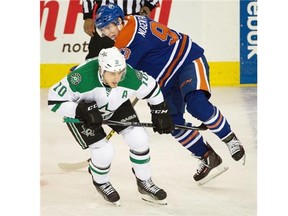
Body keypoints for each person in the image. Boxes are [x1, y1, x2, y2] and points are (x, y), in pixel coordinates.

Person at [94, 3, 246, 185]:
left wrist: (103, 102)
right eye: (103, 29)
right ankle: (207, 156)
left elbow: (122, 77)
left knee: (197, 104)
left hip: (187, 61)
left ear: (119, 21)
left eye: (109, 26)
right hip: (164, 79)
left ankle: (230, 138)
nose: (107, 32)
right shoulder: (132, 19)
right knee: (171, 122)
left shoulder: (126, 39)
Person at [48, 47, 174, 205]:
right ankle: (101, 181)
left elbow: (152, 88)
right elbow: (53, 100)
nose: (117, 78)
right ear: (101, 69)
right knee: (104, 151)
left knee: (139, 139)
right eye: (112, 73)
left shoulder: (129, 75)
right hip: (85, 112)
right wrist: (79, 110)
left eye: (120, 72)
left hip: (116, 106)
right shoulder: (81, 77)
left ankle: (144, 182)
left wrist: (160, 111)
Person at [82, 0, 159, 59]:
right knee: (97, 56)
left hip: (134, 20)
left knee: (134, 57)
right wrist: (88, 15)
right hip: (105, 20)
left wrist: (148, 5)